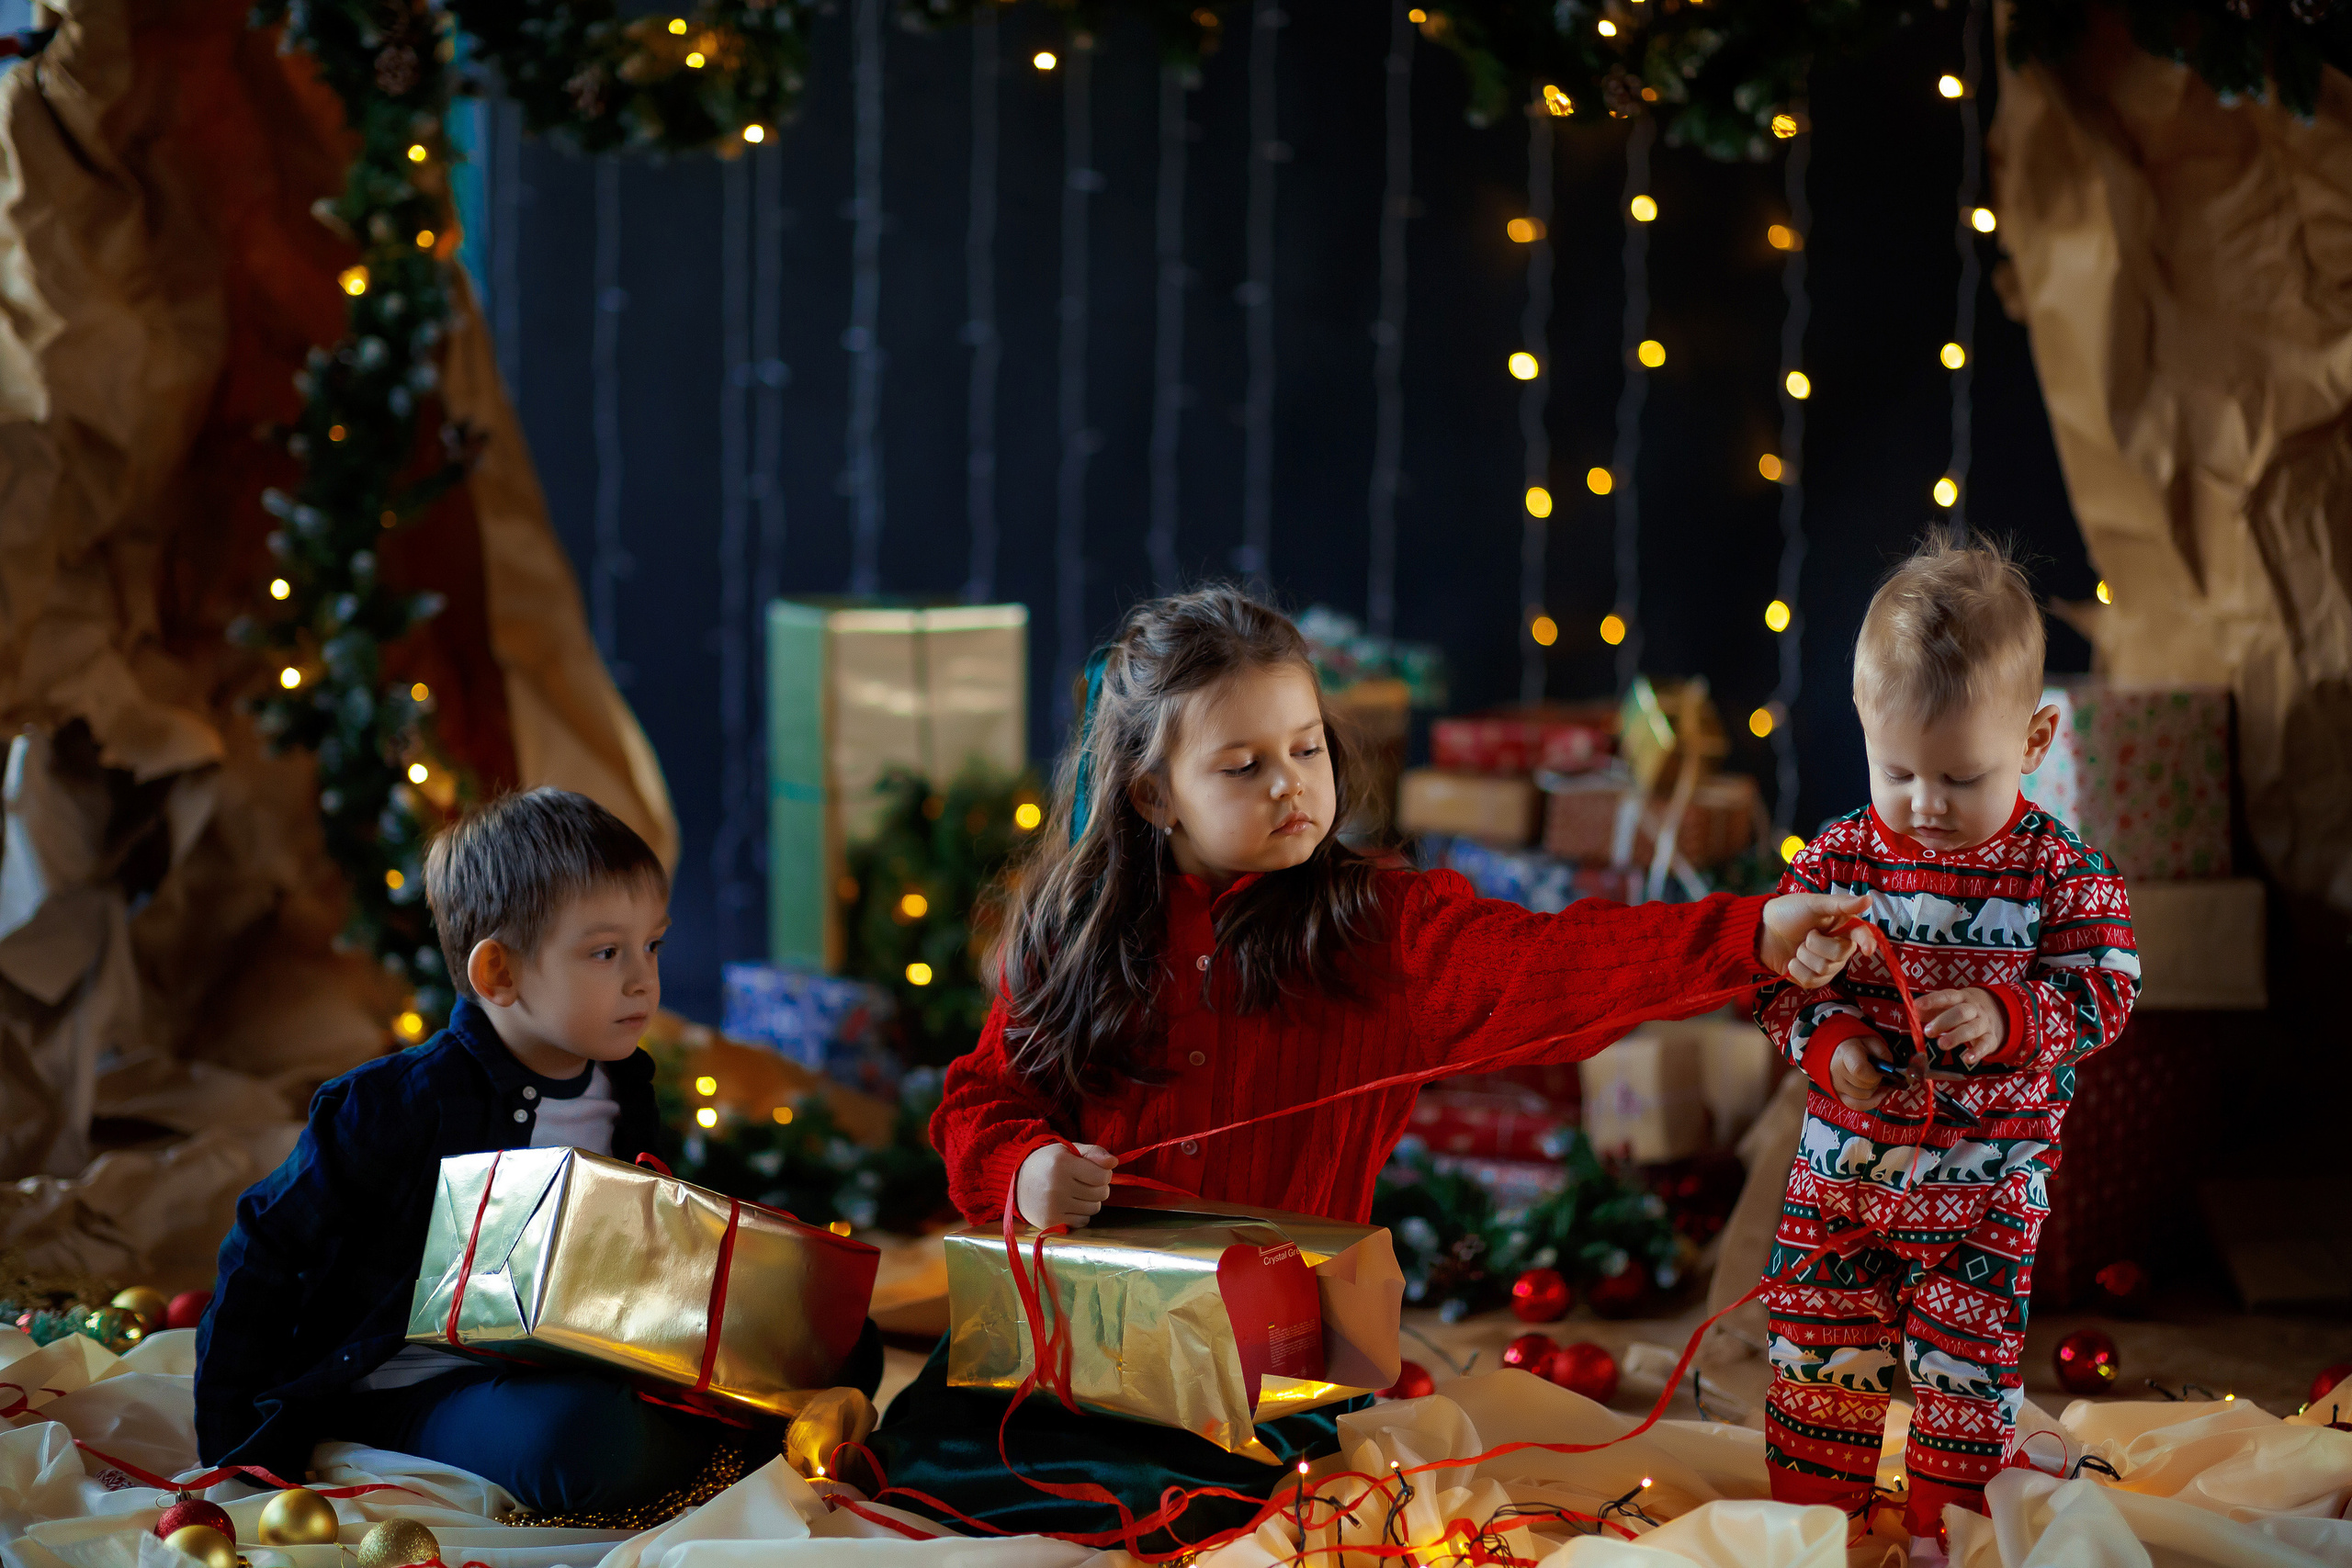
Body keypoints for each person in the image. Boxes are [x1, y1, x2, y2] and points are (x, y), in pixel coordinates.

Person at [862, 585, 1870, 1547]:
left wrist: (1748, 934)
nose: (1290, 783)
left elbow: (1554, 963)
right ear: (1153, 794)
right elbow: (980, 1102)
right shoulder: (1075, 934)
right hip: (1067, 1354)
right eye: (1242, 766)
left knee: (1191, 1517)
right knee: (926, 1479)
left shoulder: (1379, 932)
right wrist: (1026, 1169)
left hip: (1262, 1386)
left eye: (1306, 748)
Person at [194, 788, 883, 1514]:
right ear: (500, 973)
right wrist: (234, 1443)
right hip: (421, 1389)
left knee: (843, 1336)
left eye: (651, 945)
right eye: (606, 952)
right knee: (582, 1438)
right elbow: (264, 1247)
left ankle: (733, 1437)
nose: (642, 979)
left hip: (580, 1354)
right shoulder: (393, 1103)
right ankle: (740, 1450)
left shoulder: (625, 1090)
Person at [1751, 536, 2139, 1553]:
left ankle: (1943, 1533)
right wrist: (1829, 1034)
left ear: (2035, 739)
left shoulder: (2061, 873)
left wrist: (2011, 1018)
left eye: (1961, 776)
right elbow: (1772, 983)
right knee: (1817, 1353)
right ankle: (1813, 1529)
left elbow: (2106, 990)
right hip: (1842, 1179)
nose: (1925, 802)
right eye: (1898, 771)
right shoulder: (1836, 857)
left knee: (1965, 1375)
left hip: (1986, 1187)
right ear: (1863, 727)